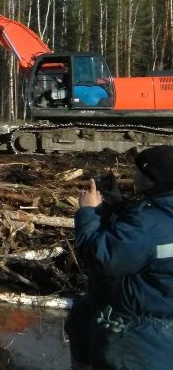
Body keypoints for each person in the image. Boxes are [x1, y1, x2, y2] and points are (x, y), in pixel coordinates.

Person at [68, 145, 173, 369]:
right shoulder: (156, 216)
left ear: (152, 179)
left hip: (135, 339)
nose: (134, 176)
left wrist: (89, 213)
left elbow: (102, 258)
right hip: (163, 330)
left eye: (139, 172)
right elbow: (150, 243)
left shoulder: (145, 224)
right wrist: (119, 206)